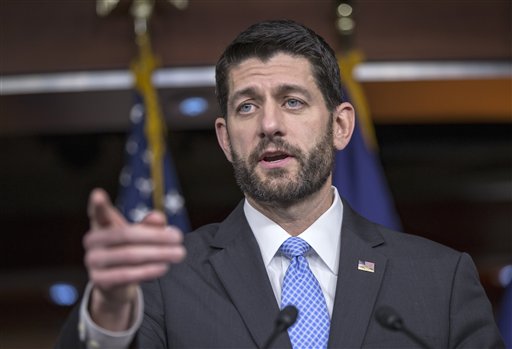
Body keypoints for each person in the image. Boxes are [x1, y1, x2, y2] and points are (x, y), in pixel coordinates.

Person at [56, 20, 504, 349]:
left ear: (340, 126)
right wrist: (110, 312)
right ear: (225, 138)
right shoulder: (161, 283)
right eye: (247, 107)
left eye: (293, 101)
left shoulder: (439, 281)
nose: (269, 124)